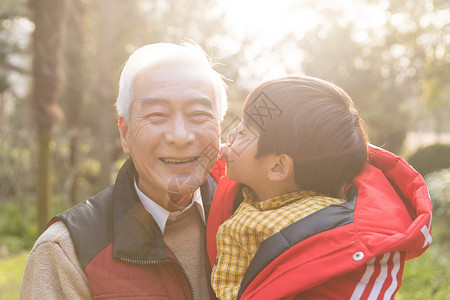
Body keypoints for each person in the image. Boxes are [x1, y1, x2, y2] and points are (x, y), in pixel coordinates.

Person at [20, 42, 228, 299]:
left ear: (220, 128)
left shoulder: (251, 215)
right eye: (158, 115)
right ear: (125, 134)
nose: (180, 136)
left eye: (198, 114)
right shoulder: (68, 251)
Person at [207, 75, 433, 299]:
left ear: (277, 167)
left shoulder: (323, 240)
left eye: (243, 132)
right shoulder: (246, 196)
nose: (230, 134)